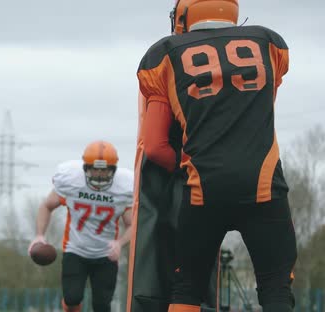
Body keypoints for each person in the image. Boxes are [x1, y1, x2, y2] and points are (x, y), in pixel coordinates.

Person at [137, 0, 297, 311]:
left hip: (203, 189)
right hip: (264, 185)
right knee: (275, 287)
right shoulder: (269, 43)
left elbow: (155, 146)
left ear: (185, 14)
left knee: (187, 289)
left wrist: (185, 168)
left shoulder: (165, 54)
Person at [28, 141, 133, 312]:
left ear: (113, 170)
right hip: (75, 250)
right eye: (95, 169)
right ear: (85, 168)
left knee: (102, 306)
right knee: (71, 299)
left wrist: (120, 243)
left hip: (106, 254)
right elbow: (46, 206)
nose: (99, 175)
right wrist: (39, 234)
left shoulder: (124, 187)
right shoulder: (72, 181)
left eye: (104, 170)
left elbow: (132, 224)